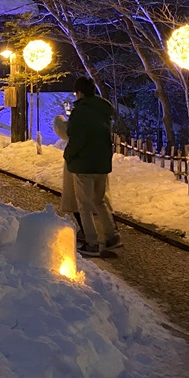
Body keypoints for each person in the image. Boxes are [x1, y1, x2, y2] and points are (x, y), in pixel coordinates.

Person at [64, 77, 120, 257]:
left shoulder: (80, 112)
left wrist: (68, 155)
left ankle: (92, 242)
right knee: (99, 200)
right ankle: (112, 236)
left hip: (83, 164)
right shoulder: (103, 110)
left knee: (84, 205)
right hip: (101, 163)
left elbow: (76, 139)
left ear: (79, 93)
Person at [53, 112, 87, 248]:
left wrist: (58, 121)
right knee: (96, 202)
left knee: (79, 201)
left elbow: (64, 130)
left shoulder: (81, 115)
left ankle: (89, 236)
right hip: (99, 164)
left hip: (78, 164)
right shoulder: (100, 117)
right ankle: (110, 235)